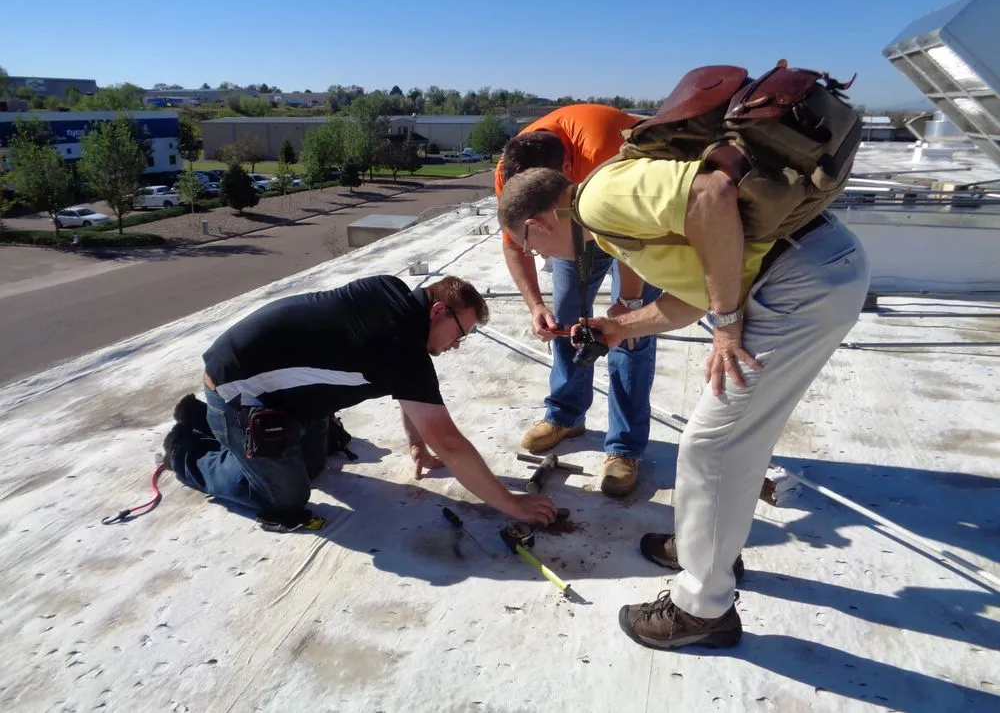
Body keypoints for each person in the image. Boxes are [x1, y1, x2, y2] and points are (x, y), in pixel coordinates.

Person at [497, 161, 870, 649]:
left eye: (530, 247)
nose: (540, 257)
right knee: (736, 443)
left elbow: (712, 193)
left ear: (538, 223)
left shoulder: (599, 200)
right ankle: (707, 550)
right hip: (812, 272)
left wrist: (728, 323)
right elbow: (700, 294)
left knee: (710, 447)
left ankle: (702, 609)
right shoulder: (605, 227)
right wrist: (619, 327)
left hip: (798, 281)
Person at [164, 274, 558, 530]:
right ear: (439, 310)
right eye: (460, 333)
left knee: (312, 466)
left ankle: (203, 419)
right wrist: (511, 504)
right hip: (237, 392)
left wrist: (416, 445)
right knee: (285, 498)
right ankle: (186, 450)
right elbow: (450, 443)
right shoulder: (402, 347)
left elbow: (407, 389)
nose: (456, 345)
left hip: (283, 397)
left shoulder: (392, 292)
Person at [495, 104, 662, 497]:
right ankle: (566, 416)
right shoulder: (508, 174)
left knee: (629, 335)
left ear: (568, 168)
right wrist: (536, 305)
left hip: (638, 224)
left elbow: (635, 236)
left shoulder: (607, 154)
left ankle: (624, 448)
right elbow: (515, 244)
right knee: (567, 315)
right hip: (573, 222)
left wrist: (628, 307)